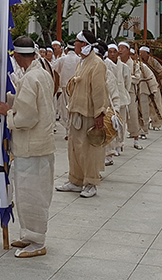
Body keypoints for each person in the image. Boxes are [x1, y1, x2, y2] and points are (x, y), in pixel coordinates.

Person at [0, 36, 55, 259]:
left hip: (34, 147)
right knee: (26, 193)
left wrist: (8, 113)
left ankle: (38, 241)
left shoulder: (32, 77)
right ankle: (30, 235)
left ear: (19, 56)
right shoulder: (40, 72)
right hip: (37, 146)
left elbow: (28, 117)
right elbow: (29, 103)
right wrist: (11, 102)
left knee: (33, 195)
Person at [56, 30, 108, 199]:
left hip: (89, 113)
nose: (75, 44)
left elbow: (100, 90)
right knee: (74, 148)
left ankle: (90, 183)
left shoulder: (97, 63)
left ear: (84, 44)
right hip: (76, 110)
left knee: (88, 149)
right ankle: (75, 180)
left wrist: (100, 113)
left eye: (77, 42)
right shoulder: (82, 62)